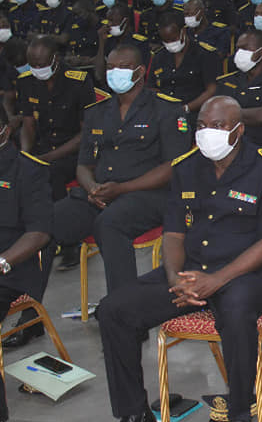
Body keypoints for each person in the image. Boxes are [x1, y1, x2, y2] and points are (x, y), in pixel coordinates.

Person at [97, 96, 262, 422]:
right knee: (114, 310)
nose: (207, 133)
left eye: (217, 126)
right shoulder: (187, 166)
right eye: (202, 125)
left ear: (238, 131)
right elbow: (173, 233)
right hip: (190, 271)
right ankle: (134, 414)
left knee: (234, 315)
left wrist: (217, 281)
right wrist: (175, 279)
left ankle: (238, 418)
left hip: (246, 273)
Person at [44, 44, 191, 297]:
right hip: (99, 195)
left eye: (123, 67)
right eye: (111, 67)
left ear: (140, 72)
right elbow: (84, 164)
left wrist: (121, 189)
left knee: (110, 224)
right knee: (41, 222)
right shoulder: (97, 113)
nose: (115, 73)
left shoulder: (167, 109)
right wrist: (91, 188)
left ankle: (123, 312)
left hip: (148, 195)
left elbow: (173, 167)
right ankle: (27, 312)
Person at [0, 111, 54, 364]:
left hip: (11, 270)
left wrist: (2, 262)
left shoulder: (27, 171)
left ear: (6, 131)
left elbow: (39, 233)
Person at [214, 31, 262, 157]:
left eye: (246, 48)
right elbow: (213, 112)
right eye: (238, 48)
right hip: (227, 147)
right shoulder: (228, 81)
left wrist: (227, 114)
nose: (240, 53)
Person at [148, 12, 220, 115]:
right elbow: (151, 86)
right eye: (165, 41)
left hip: (194, 111)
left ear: (183, 31)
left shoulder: (204, 54)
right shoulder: (159, 56)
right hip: (164, 112)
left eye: (173, 39)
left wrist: (185, 109)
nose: (170, 44)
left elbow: (212, 90)